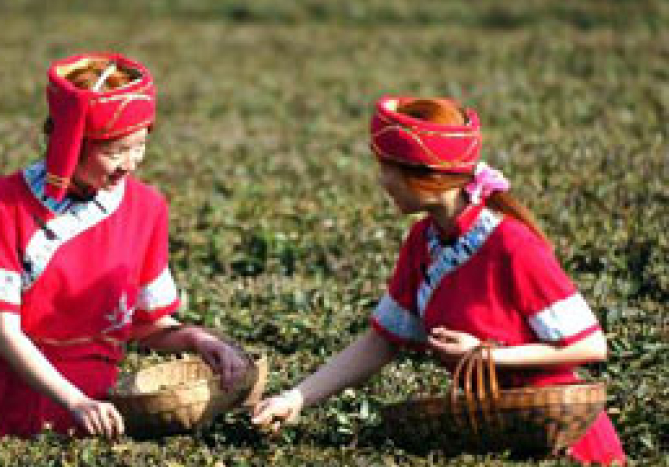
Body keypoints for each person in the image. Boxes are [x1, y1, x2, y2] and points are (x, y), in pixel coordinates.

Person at [251, 96, 627, 465]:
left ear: (426, 176)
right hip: (495, 429)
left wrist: (486, 355)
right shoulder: (423, 242)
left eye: (389, 169)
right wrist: (295, 399)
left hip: (560, 432)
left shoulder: (512, 244)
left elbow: (591, 346)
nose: (383, 181)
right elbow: (380, 344)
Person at [0, 52, 249, 440]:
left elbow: (148, 327)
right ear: (68, 143)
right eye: (114, 152)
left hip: (102, 407)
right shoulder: (3, 203)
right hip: (17, 402)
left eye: (140, 146)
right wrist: (73, 400)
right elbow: (5, 332)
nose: (130, 163)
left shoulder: (148, 208)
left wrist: (200, 340)